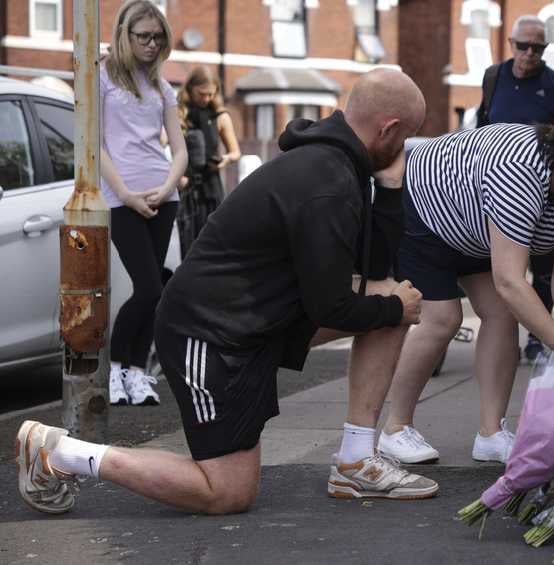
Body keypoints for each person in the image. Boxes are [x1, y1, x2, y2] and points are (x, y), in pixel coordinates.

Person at [15, 68, 437, 516]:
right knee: (227, 492)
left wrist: (391, 188)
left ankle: (355, 459)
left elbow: (372, 271)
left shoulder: (340, 168)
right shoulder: (326, 182)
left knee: (393, 298)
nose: (404, 151)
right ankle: (60, 452)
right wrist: (389, 305)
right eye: (406, 139)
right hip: (208, 335)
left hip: (254, 321)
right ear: (389, 129)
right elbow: (329, 305)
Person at [378, 102, 554, 464]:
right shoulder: (519, 172)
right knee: (443, 318)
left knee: (502, 316)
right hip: (424, 208)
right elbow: (509, 281)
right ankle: (394, 428)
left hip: (477, 229)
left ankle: (491, 433)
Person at [98, 0, 187, 407]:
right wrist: (127, 195)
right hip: (122, 198)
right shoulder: (100, 78)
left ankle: (137, 374)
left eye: (158, 38)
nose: (152, 44)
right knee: (149, 287)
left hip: (162, 195)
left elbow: (180, 151)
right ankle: (116, 371)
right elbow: (95, 146)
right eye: (144, 37)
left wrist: (169, 185)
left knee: (155, 292)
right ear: (125, 35)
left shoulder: (162, 88)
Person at [475, 15, 554, 364]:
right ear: (511, 44)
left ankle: (538, 337)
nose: (530, 53)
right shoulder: (494, 77)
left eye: (538, 47)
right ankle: (501, 329)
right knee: (501, 268)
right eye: (523, 46)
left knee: (545, 269)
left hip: (542, 191)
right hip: (495, 189)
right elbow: (482, 125)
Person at [176, 65, 241, 258]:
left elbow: (235, 152)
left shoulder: (221, 117)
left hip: (211, 188)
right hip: (185, 188)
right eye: (201, 93)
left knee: (213, 245)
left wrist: (224, 160)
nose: (206, 99)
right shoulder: (179, 114)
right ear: (190, 89)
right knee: (188, 247)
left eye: (210, 94)